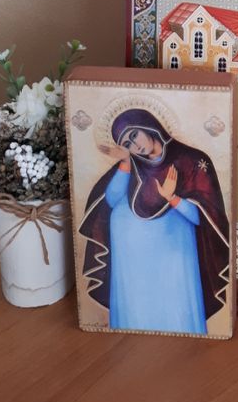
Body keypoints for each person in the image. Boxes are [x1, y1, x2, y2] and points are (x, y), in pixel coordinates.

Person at [79, 108, 229, 334]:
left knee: (177, 315)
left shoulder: (191, 161)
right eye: (127, 143)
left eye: (134, 135)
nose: (135, 145)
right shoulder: (132, 165)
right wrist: (125, 163)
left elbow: (205, 218)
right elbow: (110, 199)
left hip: (174, 260)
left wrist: (172, 198)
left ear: (148, 126)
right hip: (131, 266)